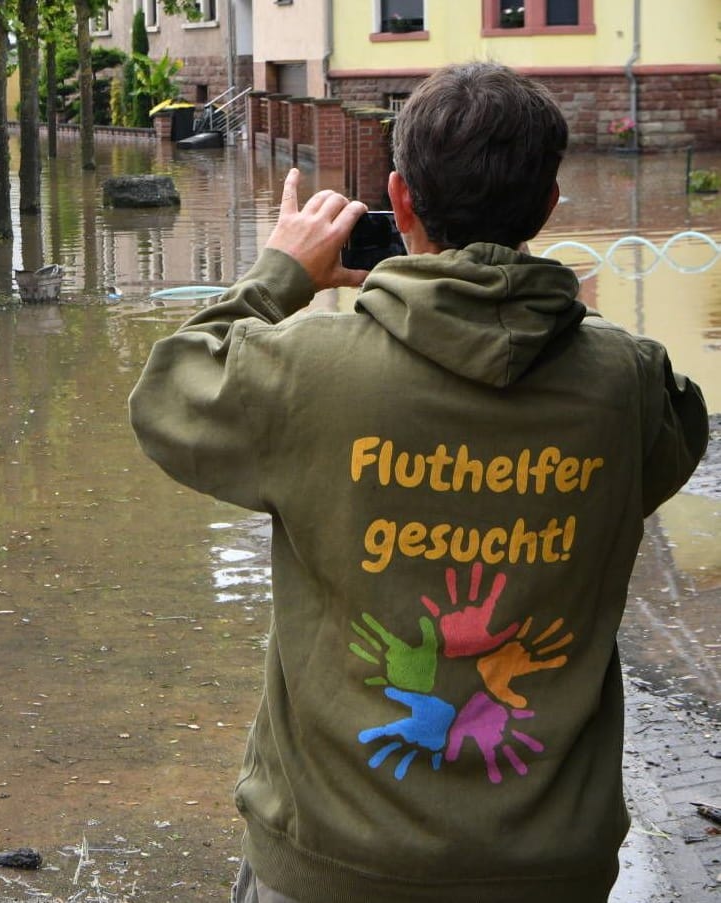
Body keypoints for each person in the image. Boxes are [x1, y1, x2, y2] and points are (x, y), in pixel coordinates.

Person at [129, 61, 707, 903]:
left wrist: (280, 275)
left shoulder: (304, 371)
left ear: (398, 203)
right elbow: (671, 438)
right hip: (550, 865)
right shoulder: (626, 381)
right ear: (546, 209)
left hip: (330, 860)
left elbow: (166, 393)